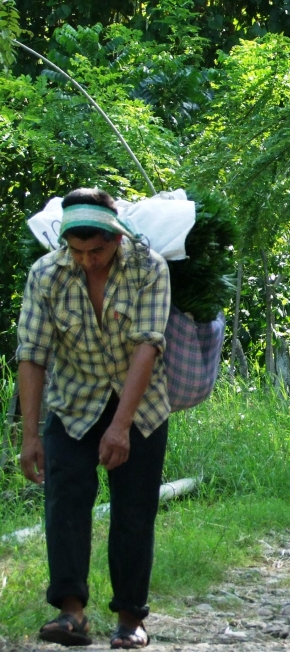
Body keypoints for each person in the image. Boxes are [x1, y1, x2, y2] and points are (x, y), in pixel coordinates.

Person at [17, 188, 171, 649]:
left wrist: (121, 426)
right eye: (77, 250)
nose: (87, 260)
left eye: (97, 250)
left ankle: (130, 618)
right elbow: (31, 353)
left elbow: (148, 345)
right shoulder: (46, 274)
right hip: (72, 401)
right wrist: (30, 436)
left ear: (117, 238)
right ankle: (70, 613)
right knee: (64, 500)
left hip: (139, 406)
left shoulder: (150, 269)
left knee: (134, 509)